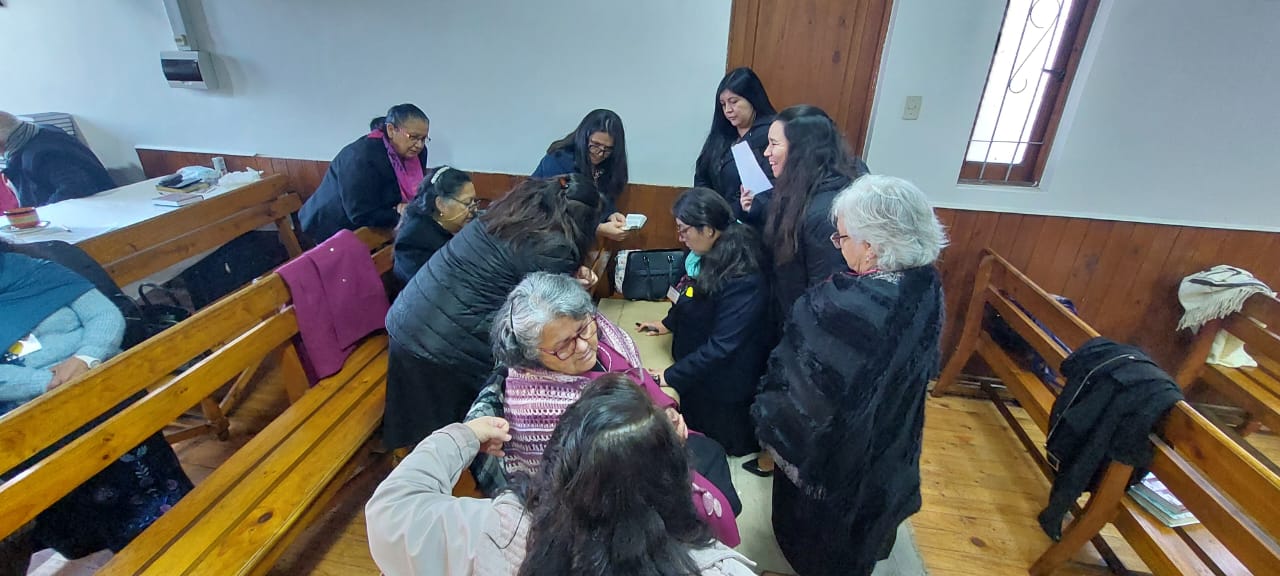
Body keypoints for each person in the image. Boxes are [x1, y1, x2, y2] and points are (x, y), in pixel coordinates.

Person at [751, 175, 948, 576]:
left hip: (829, 465)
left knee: (819, 547)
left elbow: (801, 394)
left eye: (841, 237)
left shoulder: (844, 306)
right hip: (887, 448)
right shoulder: (925, 284)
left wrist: (769, 418)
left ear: (871, 247)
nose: (837, 246)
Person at [366, 375, 756, 575]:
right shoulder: (717, 568)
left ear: (558, 457)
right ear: (674, 478)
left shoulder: (496, 531)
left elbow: (391, 507)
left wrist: (464, 435)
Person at [478, 272, 741, 539]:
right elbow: (608, 485)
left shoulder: (592, 328)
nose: (583, 347)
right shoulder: (545, 409)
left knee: (712, 452)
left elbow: (636, 377)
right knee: (713, 497)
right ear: (532, 354)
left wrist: (665, 409)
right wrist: (659, 434)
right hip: (626, 492)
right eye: (564, 346)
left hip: (648, 438)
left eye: (584, 329)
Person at [0, 240, 192, 570]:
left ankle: (173, 529)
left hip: (99, 377)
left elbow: (103, 314)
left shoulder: (32, 269)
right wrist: (44, 383)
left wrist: (87, 358)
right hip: (31, 405)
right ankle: (136, 547)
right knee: (76, 460)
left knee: (125, 434)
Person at [384, 175, 601, 450]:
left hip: (410, 313)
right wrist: (568, 282)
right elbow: (546, 309)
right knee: (449, 432)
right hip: (441, 339)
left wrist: (567, 275)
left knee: (423, 422)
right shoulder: (556, 245)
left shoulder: (511, 213)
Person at [738, 104, 870, 477]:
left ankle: (792, 463)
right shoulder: (806, 184)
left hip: (813, 333)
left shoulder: (828, 209)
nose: (766, 153)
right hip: (793, 314)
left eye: (774, 144)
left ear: (801, 149)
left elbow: (830, 296)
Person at [635, 188, 770, 456]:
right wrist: (668, 323)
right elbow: (688, 294)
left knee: (703, 442)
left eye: (684, 230)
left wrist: (668, 375)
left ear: (708, 229)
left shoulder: (743, 274)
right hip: (697, 364)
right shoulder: (701, 255)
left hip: (722, 381)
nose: (680, 237)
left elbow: (722, 346)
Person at [299, 104, 430, 242]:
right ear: (391, 130)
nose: (419, 145)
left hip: (376, 220)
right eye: (413, 137)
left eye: (423, 139)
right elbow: (360, 213)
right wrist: (405, 212)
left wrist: (404, 208)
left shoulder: (417, 153)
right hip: (332, 223)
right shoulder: (360, 156)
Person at [531, 109, 631, 242]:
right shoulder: (559, 159)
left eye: (607, 149)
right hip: (539, 232)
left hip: (574, 240)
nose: (600, 154)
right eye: (595, 145)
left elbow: (603, 197)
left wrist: (611, 215)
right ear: (583, 138)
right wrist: (597, 228)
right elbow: (555, 211)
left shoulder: (607, 164)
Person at [694, 67, 777, 216]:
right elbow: (702, 176)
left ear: (752, 99)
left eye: (733, 102)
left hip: (753, 219)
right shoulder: (721, 135)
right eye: (723, 104)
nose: (728, 110)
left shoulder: (771, 134)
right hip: (716, 219)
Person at [0, 111, 114, 208]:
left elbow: (75, 188)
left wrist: (43, 215)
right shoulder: (38, 132)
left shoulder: (42, 153)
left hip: (95, 212)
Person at [392, 166, 478, 283]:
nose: (474, 210)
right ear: (441, 204)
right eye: (467, 203)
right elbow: (431, 286)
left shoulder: (463, 225)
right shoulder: (412, 242)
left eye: (474, 202)